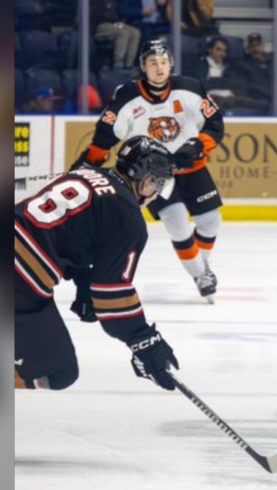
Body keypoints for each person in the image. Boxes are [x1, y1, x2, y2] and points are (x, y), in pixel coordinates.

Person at [15, 136, 182, 392]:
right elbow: (112, 292)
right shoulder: (128, 217)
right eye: (156, 182)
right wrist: (143, 340)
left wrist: (83, 279)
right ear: (143, 177)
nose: (156, 191)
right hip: (18, 280)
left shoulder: (83, 174)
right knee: (58, 371)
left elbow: (67, 230)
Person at [71, 39, 225, 303]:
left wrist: (198, 144)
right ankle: (201, 276)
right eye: (153, 62)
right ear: (143, 66)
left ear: (171, 65)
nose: (159, 67)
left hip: (192, 168)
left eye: (164, 62)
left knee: (211, 220)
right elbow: (106, 133)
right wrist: (90, 161)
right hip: (153, 174)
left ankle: (200, 265)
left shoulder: (190, 87)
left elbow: (214, 124)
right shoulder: (127, 95)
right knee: (176, 221)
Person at [91, 0, 142, 69]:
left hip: (115, 23)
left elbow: (119, 12)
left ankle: (129, 64)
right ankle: (118, 64)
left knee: (135, 32)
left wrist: (119, 22)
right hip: (100, 24)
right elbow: (96, 14)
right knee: (122, 33)